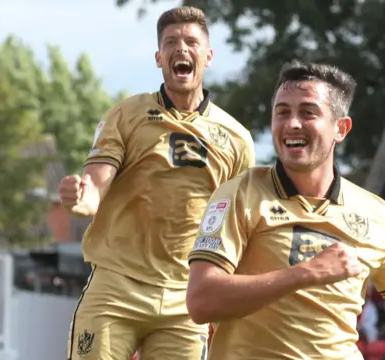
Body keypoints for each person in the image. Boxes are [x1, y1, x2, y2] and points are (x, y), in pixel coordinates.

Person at [186, 61, 385, 360]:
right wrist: (305, 273)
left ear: (341, 128)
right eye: (282, 112)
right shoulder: (241, 192)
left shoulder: (375, 214)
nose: (292, 123)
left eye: (308, 112)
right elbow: (201, 299)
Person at [59, 6, 255, 360]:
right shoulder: (126, 114)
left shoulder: (236, 138)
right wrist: (81, 197)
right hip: (116, 287)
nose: (181, 48)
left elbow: (239, 226)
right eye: (171, 42)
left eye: (191, 41)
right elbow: (95, 187)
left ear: (208, 56)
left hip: (186, 298)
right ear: (158, 57)